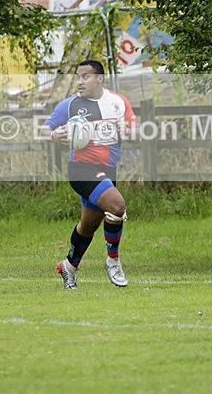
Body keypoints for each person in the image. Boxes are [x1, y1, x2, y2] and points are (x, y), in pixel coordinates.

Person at [42, 60, 136, 289]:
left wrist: (128, 130)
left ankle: (68, 267)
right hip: (81, 169)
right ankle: (113, 260)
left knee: (87, 226)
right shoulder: (70, 105)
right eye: (78, 77)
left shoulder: (118, 102)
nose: (80, 82)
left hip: (107, 171)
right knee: (117, 205)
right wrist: (54, 135)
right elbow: (44, 128)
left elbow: (134, 130)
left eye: (85, 77)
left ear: (100, 79)